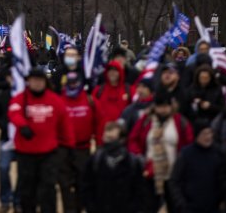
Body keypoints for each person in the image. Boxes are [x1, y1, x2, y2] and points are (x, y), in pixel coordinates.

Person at [8, 68, 75, 213]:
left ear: (45, 82)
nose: (37, 84)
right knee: (27, 190)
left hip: (48, 154)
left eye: (40, 80)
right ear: (28, 82)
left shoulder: (55, 100)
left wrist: (69, 146)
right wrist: (22, 125)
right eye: (34, 80)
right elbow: (13, 112)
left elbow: (65, 123)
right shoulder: (21, 98)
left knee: (48, 189)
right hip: (26, 154)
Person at [128, 92, 194, 213]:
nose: (163, 110)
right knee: (149, 206)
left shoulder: (180, 121)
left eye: (165, 106)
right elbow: (133, 139)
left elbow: (189, 142)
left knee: (175, 206)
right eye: (160, 106)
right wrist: (139, 156)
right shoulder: (146, 120)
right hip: (151, 172)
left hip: (174, 172)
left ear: (171, 106)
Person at [80, 121, 145, 213]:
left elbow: (140, 190)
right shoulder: (95, 160)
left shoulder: (132, 162)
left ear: (122, 139)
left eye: (112, 139)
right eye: (107, 138)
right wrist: (91, 207)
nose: (109, 143)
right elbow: (86, 186)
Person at [170, 121, 226, 213]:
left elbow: (225, 180)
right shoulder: (186, 154)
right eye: (204, 133)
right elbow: (174, 181)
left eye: (210, 133)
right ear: (197, 135)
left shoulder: (220, 153)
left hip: (214, 208)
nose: (208, 137)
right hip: (191, 208)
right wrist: (181, 204)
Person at [59, 71, 96, 213]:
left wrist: (98, 141)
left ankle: (79, 208)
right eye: (70, 82)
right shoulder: (60, 100)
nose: (72, 85)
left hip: (83, 148)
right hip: (63, 149)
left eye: (75, 82)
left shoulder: (89, 100)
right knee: (65, 184)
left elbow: (98, 120)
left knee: (82, 182)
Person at [0, 65, 20, 213]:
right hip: (5, 138)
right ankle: (5, 200)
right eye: (11, 77)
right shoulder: (4, 95)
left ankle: (18, 200)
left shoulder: (25, 95)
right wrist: (4, 126)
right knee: (3, 168)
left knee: (23, 172)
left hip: (23, 139)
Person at [92, 61, 130, 145]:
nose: (112, 73)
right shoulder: (98, 91)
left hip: (122, 139)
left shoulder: (128, 90)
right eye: (110, 70)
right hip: (101, 138)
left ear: (120, 72)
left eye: (115, 70)